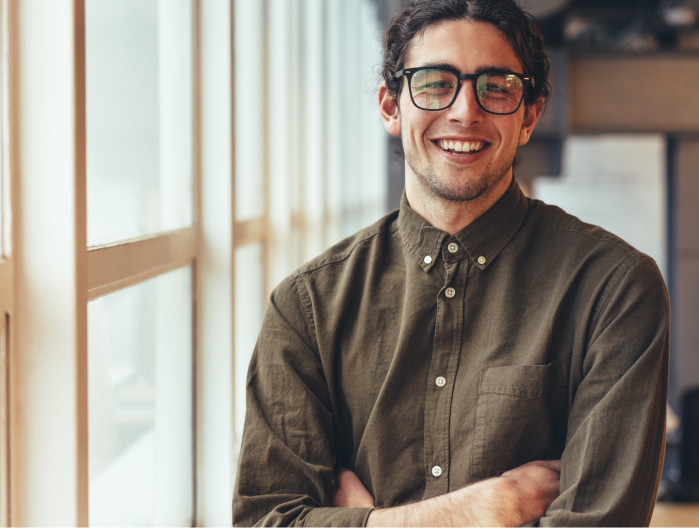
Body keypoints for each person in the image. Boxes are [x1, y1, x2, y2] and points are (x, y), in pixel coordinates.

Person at [232, 0, 670, 526]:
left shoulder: (614, 290)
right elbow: (267, 520)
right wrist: (484, 509)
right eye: (436, 82)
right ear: (391, 107)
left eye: (497, 86)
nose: (466, 111)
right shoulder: (307, 306)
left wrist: (368, 519)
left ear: (529, 114)